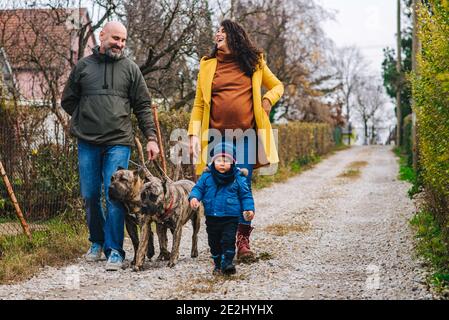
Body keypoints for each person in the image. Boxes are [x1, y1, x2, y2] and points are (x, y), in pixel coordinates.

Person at [61, 21, 160, 271]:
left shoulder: (130, 69)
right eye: (116, 38)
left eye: (124, 40)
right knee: (90, 194)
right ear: (102, 36)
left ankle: (115, 250)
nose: (120, 44)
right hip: (88, 142)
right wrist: (85, 117)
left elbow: (143, 106)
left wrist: (151, 138)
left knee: (114, 193)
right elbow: (67, 100)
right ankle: (97, 241)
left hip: (118, 140)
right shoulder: (83, 67)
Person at [188, 19, 283, 260]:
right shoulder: (207, 65)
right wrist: (192, 135)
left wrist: (268, 100)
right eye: (216, 31)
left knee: (241, 184)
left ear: (233, 35)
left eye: (222, 31)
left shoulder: (254, 61)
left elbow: (278, 86)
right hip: (215, 138)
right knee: (213, 186)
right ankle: (221, 238)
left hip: (246, 136)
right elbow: (199, 103)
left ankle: (242, 241)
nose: (217, 34)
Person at [189, 142, 255, 275]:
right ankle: (218, 263)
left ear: (233, 162)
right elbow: (198, 188)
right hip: (212, 217)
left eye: (226, 160)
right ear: (213, 161)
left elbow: (246, 195)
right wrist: (194, 198)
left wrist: (249, 209)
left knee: (228, 239)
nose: (222, 163)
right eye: (219, 160)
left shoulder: (238, 178)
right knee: (214, 242)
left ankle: (228, 263)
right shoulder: (207, 176)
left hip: (230, 217)